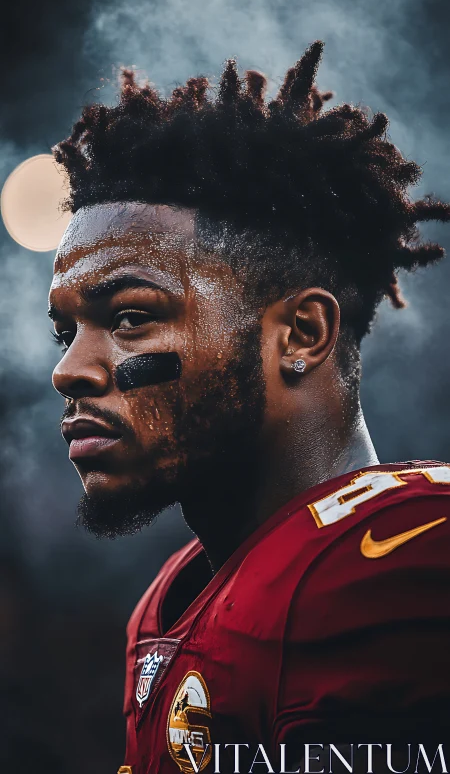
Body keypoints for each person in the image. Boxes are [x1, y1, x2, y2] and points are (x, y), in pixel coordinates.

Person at [49, 41, 450, 773]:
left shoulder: (406, 558)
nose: (68, 370)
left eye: (131, 318)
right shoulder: (172, 600)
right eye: (65, 331)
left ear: (301, 334)